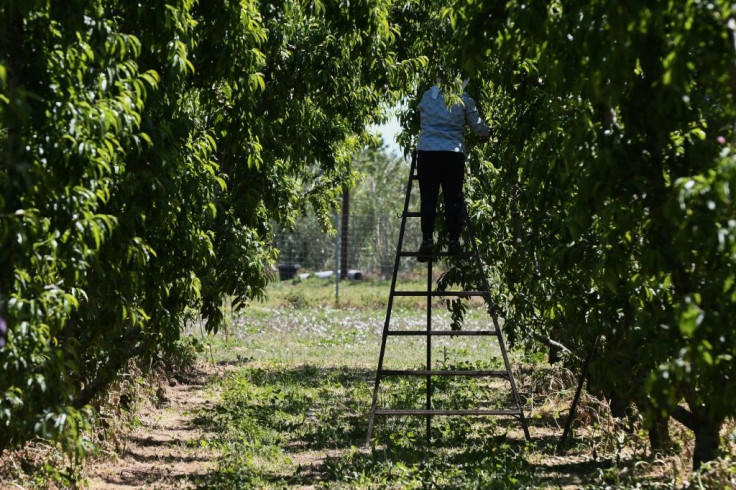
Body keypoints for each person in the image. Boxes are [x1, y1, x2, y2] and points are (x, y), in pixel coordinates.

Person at [415, 79, 490, 262]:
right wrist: (488, 132)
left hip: (427, 152)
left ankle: (427, 239)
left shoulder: (428, 95)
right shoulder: (463, 98)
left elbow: (421, 115)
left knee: (428, 198)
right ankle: (454, 241)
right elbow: (477, 126)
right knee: (453, 198)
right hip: (452, 153)